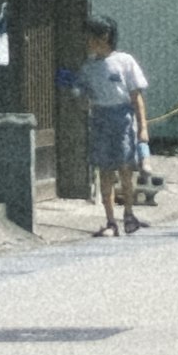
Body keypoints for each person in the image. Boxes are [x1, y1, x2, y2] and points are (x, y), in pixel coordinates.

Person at [69, 16, 150, 238]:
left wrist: (143, 127)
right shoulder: (88, 67)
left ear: (104, 36)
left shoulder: (125, 61)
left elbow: (136, 97)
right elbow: (81, 96)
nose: (86, 40)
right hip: (100, 117)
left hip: (123, 117)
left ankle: (129, 214)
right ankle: (110, 221)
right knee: (104, 171)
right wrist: (79, 97)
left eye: (90, 36)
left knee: (125, 168)